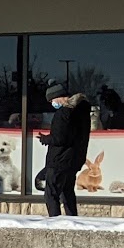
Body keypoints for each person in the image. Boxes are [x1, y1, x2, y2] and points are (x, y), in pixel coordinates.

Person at [35, 88, 91, 218]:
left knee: (51, 193)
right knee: (67, 193)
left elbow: (60, 138)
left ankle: (55, 222)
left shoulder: (64, 113)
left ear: (59, 97)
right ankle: (72, 220)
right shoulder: (81, 113)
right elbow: (71, 135)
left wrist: (45, 139)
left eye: (52, 100)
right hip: (74, 159)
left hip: (60, 159)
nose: (52, 103)